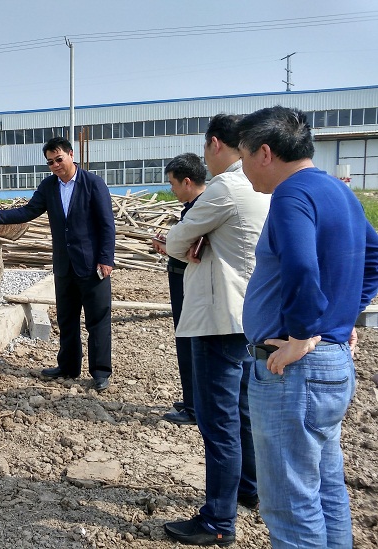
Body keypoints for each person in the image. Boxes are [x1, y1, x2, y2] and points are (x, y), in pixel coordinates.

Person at [238, 106, 378, 549]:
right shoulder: (337, 190)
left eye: (243, 156)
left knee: (291, 504)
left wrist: (301, 335)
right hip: (330, 365)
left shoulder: (291, 195)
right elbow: (374, 256)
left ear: (264, 152)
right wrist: (343, 315)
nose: (243, 169)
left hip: (293, 372)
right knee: (325, 488)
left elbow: (300, 265)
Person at [163, 114, 270, 546]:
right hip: (247, 317)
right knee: (241, 412)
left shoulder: (225, 188)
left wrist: (191, 241)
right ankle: (248, 489)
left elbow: (175, 241)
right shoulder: (259, 187)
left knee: (218, 422)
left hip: (217, 319)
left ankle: (218, 521)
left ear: (214, 144)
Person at [0, 136, 115, 392]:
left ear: (71, 155)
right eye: (50, 162)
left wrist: (106, 259)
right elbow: (28, 211)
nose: (56, 165)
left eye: (59, 159)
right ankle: (68, 366)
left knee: (97, 320)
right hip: (64, 266)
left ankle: (100, 372)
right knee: (67, 319)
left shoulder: (93, 183)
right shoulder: (49, 186)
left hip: (92, 265)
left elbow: (107, 224)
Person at [152, 153, 207, 426]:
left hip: (189, 281)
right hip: (182, 278)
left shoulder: (203, 208)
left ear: (187, 182)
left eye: (173, 184)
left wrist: (170, 245)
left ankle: (195, 407)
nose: (171, 190)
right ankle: (191, 398)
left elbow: (195, 248)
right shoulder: (194, 207)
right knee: (185, 339)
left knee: (189, 340)